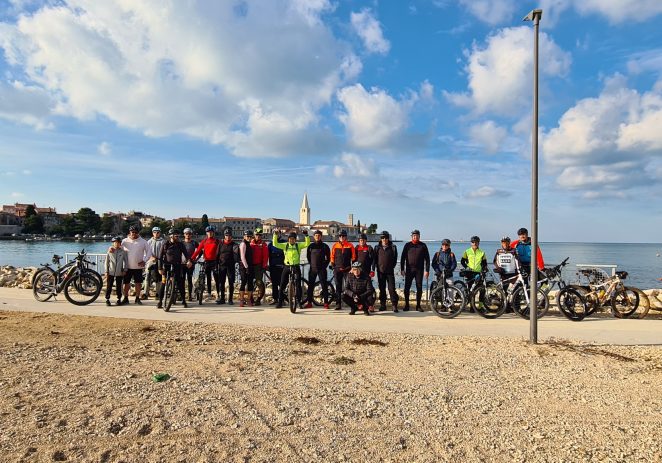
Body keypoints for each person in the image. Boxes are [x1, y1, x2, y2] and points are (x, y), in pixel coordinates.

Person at [271, 229, 310, 309]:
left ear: (295, 239)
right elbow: (275, 244)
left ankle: (299, 302)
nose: (292, 240)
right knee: (282, 285)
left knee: (298, 285)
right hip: (287, 267)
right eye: (290, 239)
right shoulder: (285, 245)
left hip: (296, 266)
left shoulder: (298, 245)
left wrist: (306, 236)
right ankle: (280, 302)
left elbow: (307, 243)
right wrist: (275, 235)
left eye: (293, 239)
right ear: (288, 239)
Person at [157, 229, 191, 309]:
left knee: (180, 283)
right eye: (175, 235)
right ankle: (160, 301)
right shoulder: (165, 244)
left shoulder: (180, 244)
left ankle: (184, 301)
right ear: (171, 236)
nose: (177, 236)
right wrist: (160, 268)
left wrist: (189, 261)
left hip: (177, 265)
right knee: (163, 283)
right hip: (167, 266)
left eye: (177, 235)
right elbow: (160, 257)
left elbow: (186, 254)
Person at [120, 225, 152, 305]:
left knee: (138, 283)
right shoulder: (124, 241)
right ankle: (125, 298)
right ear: (129, 232)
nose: (134, 233)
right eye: (132, 232)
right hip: (127, 267)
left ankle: (137, 298)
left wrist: (144, 260)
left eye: (135, 232)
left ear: (138, 232)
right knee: (126, 284)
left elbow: (149, 252)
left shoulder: (143, 241)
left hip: (138, 267)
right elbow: (117, 248)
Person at [400, 229, 430, 312]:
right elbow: (402, 258)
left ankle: (418, 305)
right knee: (407, 288)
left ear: (419, 237)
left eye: (417, 235)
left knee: (419, 288)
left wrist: (427, 270)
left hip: (419, 270)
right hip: (409, 270)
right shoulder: (407, 245)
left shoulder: (423, 245)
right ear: (411, 237)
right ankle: (407, 305)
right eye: (413, 236)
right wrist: (402, 269)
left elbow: (427, 259)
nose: (415, 237)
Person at [190, 226, 221, 302]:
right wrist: (191, 259)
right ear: (206, 233)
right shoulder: (204, 241)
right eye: (208, 232)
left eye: (211, 232)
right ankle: (209, 294)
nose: (210, 233)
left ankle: (218, 295)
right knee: (208, 278)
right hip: (207, 262)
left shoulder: (217, 241)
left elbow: (221, 251)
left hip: (215, 262)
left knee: (216, 278)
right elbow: (197, 251)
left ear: (213, 233)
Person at [330, 230, 356, 310]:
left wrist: (353, 268)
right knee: (338, 287)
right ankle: (338, 304)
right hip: (337, 269)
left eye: (343, 236)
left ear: (346, 237)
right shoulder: (335, 245)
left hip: (347, 269)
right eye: (340, 236)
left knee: (350, 287)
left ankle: (352, 304)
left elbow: (354, 257)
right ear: (339, 237)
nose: (342, 237)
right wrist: (332, 265)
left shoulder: (350, 245)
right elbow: (332, 256)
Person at [373, 230, 399, 312]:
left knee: (392, 289)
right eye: (382, 237)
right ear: (380, 239)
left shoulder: (393, 247)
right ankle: (383, 305)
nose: (384, 239)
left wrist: (391, 266)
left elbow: (395, 259)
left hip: (390, 272)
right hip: (380, 272)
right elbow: (374, 259)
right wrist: (374, 269)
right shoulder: (377, 247)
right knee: (382, 289)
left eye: (386, 237)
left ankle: (394, 305)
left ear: (388, 238)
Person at [305, 230, 331, 309]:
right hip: (313, 268)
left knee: (324, 285)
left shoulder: (325, 246)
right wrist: (311, 264)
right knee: (310, 286)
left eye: (319, 235)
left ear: (321, 236)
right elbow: (308, 257)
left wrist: (324, 266)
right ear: (314, 236)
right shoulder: (311, 246)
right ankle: (309, 303)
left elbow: (328, 258)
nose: (317, 237)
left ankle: (326, 303)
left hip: (321, 269)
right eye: (316, 235)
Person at [217, 228, 239, 305]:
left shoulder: (234, 245)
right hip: (222, 266)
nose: (228, 237)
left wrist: (237, 263)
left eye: (229, 235)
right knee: (221, 283)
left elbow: (237, 256)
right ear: (224, 236)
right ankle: (222, 299)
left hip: (231, 266)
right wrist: (216, 265)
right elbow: (217, 255)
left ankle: (230, 299)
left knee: (231, 283)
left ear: (231, 236)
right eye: (226, 235)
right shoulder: (220, 244)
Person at [104, 236, 127, 306]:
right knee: (109, 286)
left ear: (120, 243)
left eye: (118, 243)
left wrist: (125, 270)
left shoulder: (123, 252)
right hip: (110, 272)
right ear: (113, 243)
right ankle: (107, 299)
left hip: (119, 272)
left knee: (119, 287)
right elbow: (106, 262)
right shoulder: (110, 251)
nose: (116, 244)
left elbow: (126, 262)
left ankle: (119, 299)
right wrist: (106, 271)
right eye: (115, 243)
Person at [145, 226, 165, 299]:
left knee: (158, 277)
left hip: (160, 261)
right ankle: (145, 293)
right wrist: (151, 257)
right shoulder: (149, 241)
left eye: (158, 232)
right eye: (154, 232)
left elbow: (165, 252)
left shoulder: (163, 241)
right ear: (152, 233)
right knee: (148, 276)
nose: (156, 233)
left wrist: (160, 258)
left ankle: (158, 294)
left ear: (160, 233)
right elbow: (146, 252)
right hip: (151, 261)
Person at [250, 228, 269, 306]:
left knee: (259, 283)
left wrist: (264, 265)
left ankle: (258, 299)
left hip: (259, 266)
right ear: (254, 235)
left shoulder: (264, 244)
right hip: (250, 266)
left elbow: (266, 256)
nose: (258, 236)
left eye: (260, 235)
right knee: (249, 284)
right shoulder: (250, 243)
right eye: (257, 235)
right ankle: (250, 299)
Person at [268, 233, 286, 305]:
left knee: (282, 284)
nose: (277, 235)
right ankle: (275, 298)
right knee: (274, 284)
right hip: (273, 266)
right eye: (276, 234)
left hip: (282, 266)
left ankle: (282, 298)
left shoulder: (284, 243)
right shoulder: (270, 244)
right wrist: (268, 265)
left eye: (278, 234)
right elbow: (268, 256)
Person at [238, 229, 255, 307]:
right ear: (244, 236)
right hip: (244, 266)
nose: (249, 238)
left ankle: (248, 299)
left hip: (250, 266)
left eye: (250, 237)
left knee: (250, 283)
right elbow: (242, 257)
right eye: (247, 236)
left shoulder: (249, 244)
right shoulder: (243, 244)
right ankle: (241, 300)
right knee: (244, 282)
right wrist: (246, 267)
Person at [181, 227, 198, 301]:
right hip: (182, 264)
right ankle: (182, 295)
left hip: (191, 264)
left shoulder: (194, 243)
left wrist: (195, 260)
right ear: (184, 234)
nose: (188, 235)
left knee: (189, 280)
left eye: (189, 234)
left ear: (191, 235)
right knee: (182, 280)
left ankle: (190, 296)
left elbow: (200, 251)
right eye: (186, 234)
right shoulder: (181, 243)